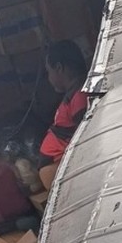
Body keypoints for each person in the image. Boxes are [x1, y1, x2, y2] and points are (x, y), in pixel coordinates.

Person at [39, 39, 90, 167]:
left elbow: (86, 137)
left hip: (64, 166)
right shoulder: (73, 95)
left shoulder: (80, 97)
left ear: (59, 68)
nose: (49, 78)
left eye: (49, 72)